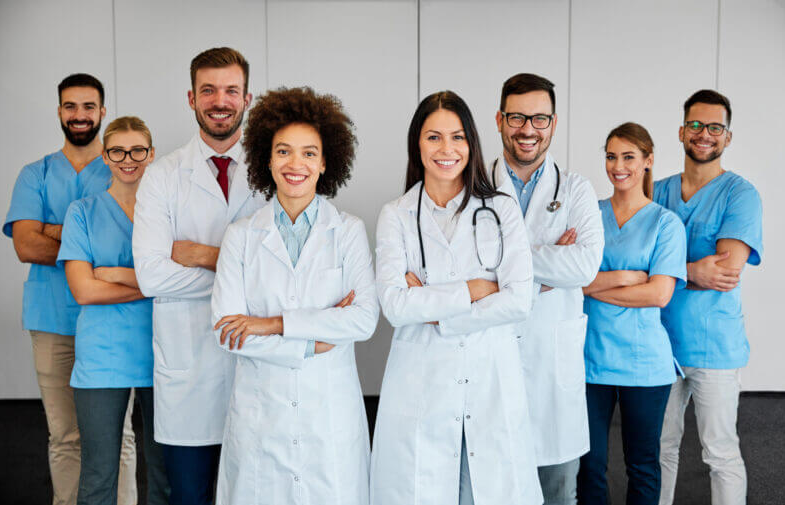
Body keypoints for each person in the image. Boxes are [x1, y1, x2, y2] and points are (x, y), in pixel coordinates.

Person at [371, 90, 542, 505]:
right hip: (422, 387)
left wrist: (436, 310)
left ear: (472, 144)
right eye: (433, 137)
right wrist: (475, 290)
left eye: (458, 137)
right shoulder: (395, 215)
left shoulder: (501, 209)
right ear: (417, 143)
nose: (446, 149)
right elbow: (395, 306)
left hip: (490, 381)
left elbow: (519, 299)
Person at [211, 86, 379, 505]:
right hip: (260, 418)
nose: (295, 164)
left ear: (325, 162)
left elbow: (363, 320)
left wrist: (273, 324)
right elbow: (228, 333)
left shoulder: (348, 231)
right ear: (266, 159)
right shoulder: (241, 237)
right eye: (283, 151)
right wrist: (315, 339)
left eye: (308, 153)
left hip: (329, 418)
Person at [132, 47, 266, 505]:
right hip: (186, 371)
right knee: (188, 496)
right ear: (191, 98)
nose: (220, 100)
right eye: (208, 90)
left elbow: (286, 272)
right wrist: (245, 272)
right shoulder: (162, 176)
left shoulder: (277, 169)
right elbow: (151, 277)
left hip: (257, 366)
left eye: (231, 90)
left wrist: (205, 256)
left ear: (248, 97)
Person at [3, 73, 136, 505]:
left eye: (88, 106)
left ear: (102, 111)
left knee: (121, 437)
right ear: (59, 111)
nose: (79, 115)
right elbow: (25, 244)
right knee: (64, 435)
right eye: (70, 106)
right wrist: (89, 244)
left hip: (114, 323)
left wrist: (53, 229)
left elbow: (134, 250)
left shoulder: (122, 167)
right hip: (52, 322)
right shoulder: (34, 174)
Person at [488, 73, 604, 505]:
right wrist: (547, 260)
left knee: (557, 493)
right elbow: (461, 266)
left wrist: (504, 258)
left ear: (553, 123)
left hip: (552, 368)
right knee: (490, 487)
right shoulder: (474, 186)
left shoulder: (576, 189)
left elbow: (586, 265)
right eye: (517, 117)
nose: (528, 129)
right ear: (500, 119)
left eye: (539, 118)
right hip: (489, 358)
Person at [655, 90, 762, 505]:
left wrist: (664, 273)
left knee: (719, 451)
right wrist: (690, 270)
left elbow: (724, 272)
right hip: (657, 343)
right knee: (657, 449)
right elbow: (632, 262)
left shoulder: (740, 195)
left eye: (714, 127)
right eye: (696, 125)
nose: (704, 135)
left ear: (727, 137)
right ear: (682, 131)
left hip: (713, 345)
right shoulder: (658, 190)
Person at [59, 117, 169, 505]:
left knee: (165, 475)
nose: (129, 159)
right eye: (118, 151)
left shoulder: (167, 212)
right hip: (102, 357)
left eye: (138, 150)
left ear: (151, 154)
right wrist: (152, 284)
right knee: (98, 476)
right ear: (105, 156)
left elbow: (186, 278)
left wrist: (119, 275)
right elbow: (84, 290)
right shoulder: (82, 212)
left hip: (163, 353)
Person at [577, 123, 687, 505]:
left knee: (641, 465)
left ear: (648, 161)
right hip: (590, 360)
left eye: (628, 156)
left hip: (644, 364)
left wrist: (595, 285)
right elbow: (569, 281)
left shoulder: (665, 223)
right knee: (588, 466)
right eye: (611, 156)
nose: (617, 166)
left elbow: (658, 294)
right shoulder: (588, 215)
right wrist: (624, 277)